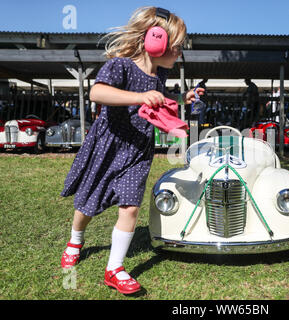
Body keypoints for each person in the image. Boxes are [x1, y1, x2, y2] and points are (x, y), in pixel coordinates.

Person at [59, 6, 203, 294]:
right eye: (177, 45)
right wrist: (139, 96)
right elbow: (97, 92)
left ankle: (115, 269)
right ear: (155, 40)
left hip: (138, 149)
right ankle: (76, 239)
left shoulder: (159, 77)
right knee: (88, 202)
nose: (180, 52)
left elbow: (158, 99)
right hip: (108, 145)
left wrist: (181, 98)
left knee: (131, 207)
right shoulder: (120, 66)